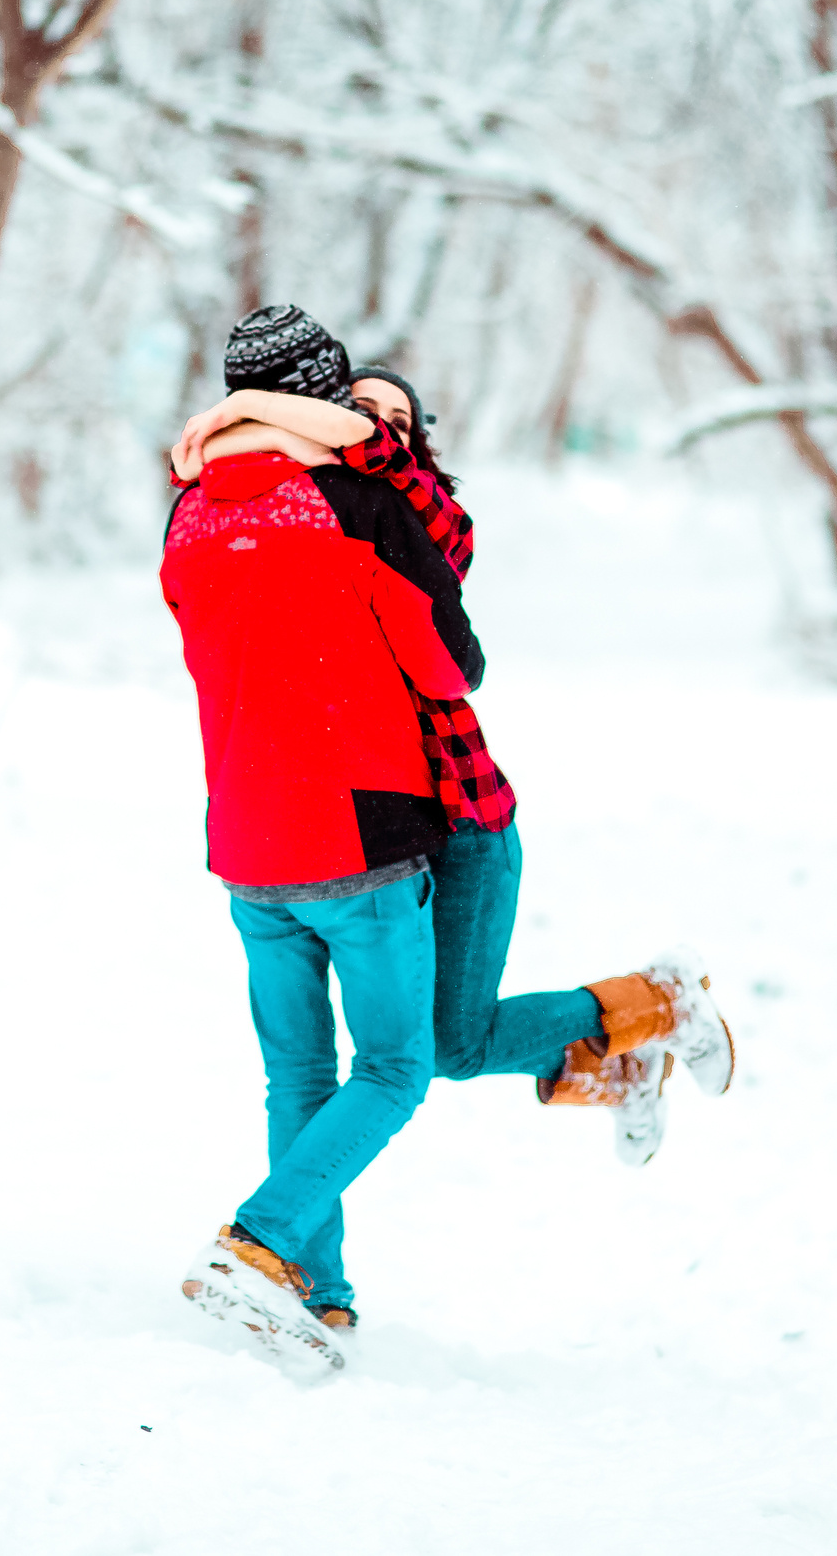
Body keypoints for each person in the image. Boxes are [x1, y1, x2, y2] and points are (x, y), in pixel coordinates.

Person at [173, 358, 735, 1172]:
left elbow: (449, 644)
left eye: (398, 422)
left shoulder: (406, 518)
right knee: (438, 1047)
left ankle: (659, 1000)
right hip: (374, 835)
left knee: (444, 1046)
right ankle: (619, 1062)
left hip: (463, 822)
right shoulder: (325, 516)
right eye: (361, 411)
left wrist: (363, 446)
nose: (376, 428)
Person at [161, 305, 480, 1372]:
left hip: (246, 842)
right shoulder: (352, 503)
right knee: (393, 1067)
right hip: (363, 829)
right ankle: (255, 1247)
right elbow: (448, 667)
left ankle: (320, 1294)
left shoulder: (186, 516)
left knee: (296, 1074)